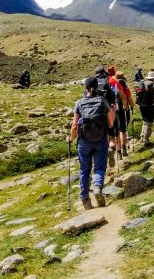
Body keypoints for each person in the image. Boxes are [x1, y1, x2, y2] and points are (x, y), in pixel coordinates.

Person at [67, 76, 114, 210]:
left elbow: (75, 125)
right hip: (100, 139)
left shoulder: (80, 103)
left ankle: (85, 199)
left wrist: (70, 138)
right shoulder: (102, 101)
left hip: (84, 141)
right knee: (99, 167)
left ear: (85, 87)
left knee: (84, 169)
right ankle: (98, 187)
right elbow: (111, 123)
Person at [136, 70, 154, 146]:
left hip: (141, 105)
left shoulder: (142, 83)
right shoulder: (153, 85)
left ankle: (142, 137)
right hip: (149, 105)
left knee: (144, 120)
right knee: (149, 122)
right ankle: (146, 139)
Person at [115, 71, 135, 157]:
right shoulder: (126, 88)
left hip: (114, 110)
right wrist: (132, 106)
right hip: (124, 110)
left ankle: (118, 152)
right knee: (123, 130)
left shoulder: (112, 88)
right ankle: (124, 148)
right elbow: (131, 102)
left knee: (116, 132)